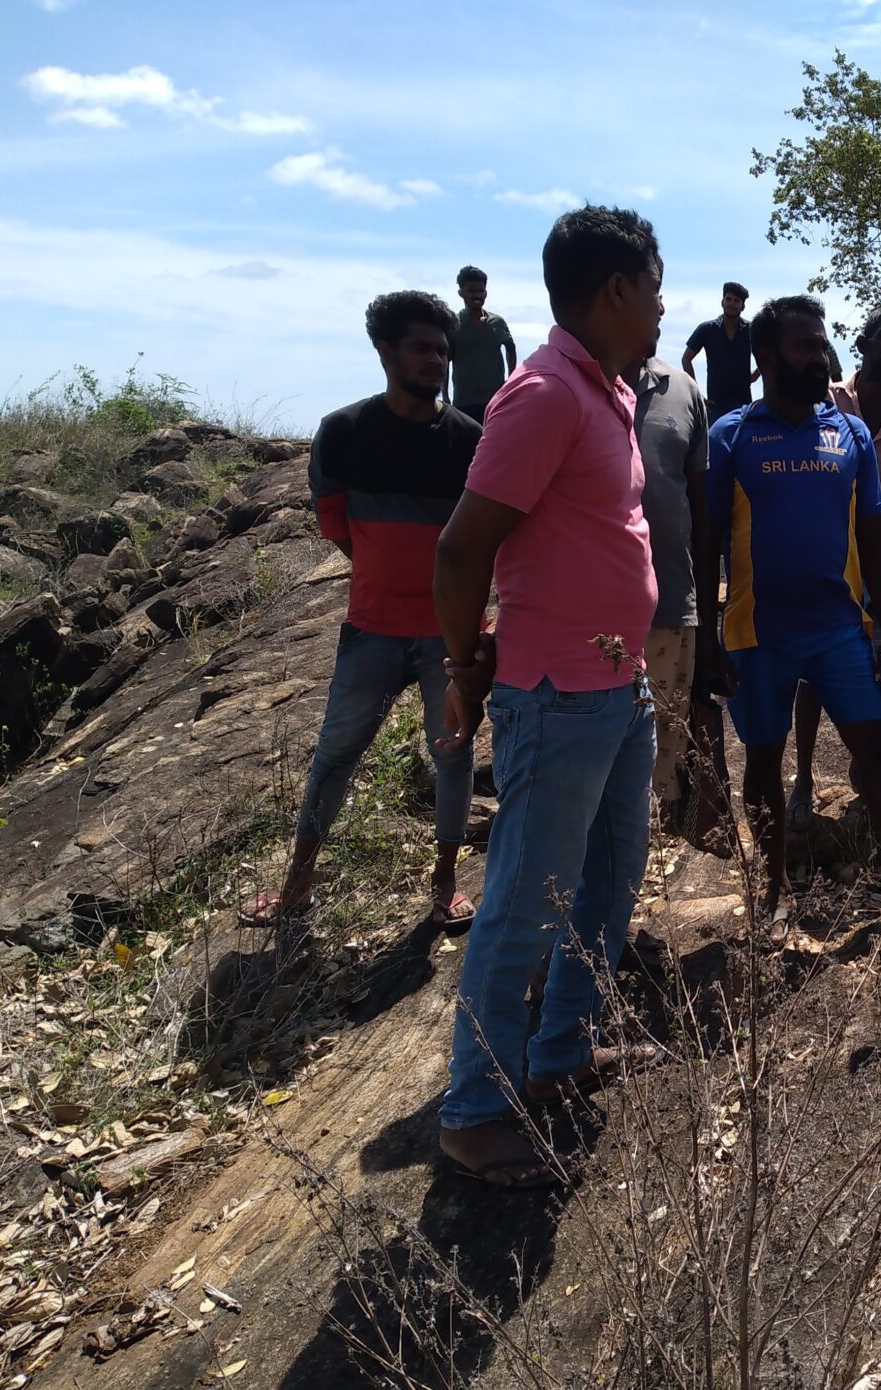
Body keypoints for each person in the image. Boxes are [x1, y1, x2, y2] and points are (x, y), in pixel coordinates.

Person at [432, 206, 664, 1187]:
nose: (662, 309)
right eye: (654, 289)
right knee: (526, 901)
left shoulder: (607, 390)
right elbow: (461, 550)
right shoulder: (542, 394)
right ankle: (475, 1109)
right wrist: (465, 669)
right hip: (555, 696)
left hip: (618, 685)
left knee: (609, 879)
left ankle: (562, 1048)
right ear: (616, 291)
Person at [701, 294, 881, 949]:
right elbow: (704, 543)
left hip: (839, 632)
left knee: (877, 756)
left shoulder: (848, 434)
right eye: (805, 346)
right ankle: (773, 896)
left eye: (823, 345)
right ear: (767, 357)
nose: (821, 357)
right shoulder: (731, 434)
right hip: (756, 633)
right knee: (762, 763)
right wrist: (706, 637)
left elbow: (875, 534)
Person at [241, 291, 480, 932]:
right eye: (421, 348)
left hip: (448, 634)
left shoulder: (468, 440)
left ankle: (445, 881)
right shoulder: (343, 432)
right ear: (385, 352)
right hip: (372, 628)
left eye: (442, 350)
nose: (436, 360)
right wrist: (387, 571)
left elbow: (482, 539)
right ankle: (296, 886)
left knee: (453, 754)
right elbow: (336, 526)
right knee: (335, 755)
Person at [787, 306, 881, 832]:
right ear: (864, 341)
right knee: (813, 671)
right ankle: (803, 778)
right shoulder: (827, 400)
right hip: (830, 554)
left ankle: (863, 765)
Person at [623, 345, 725, 848]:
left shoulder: (684, 392)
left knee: (659, 764)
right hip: (585, 621)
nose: (660, 309)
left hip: (670, 607)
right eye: (651, 302)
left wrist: (706, 625)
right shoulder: (562, 385)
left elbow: (701, 514)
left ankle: (635, 879)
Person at [448, 265, 517, 421]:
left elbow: (510, 348)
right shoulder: (454, 324)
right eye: (472, 291)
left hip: (495, 400)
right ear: (461, 292)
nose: (477, 295)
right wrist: (445, 395)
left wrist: (511, 380)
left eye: (481, 291)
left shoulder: (497, 322)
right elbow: (445, 360)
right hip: (464, 402)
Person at [681, 281, 754, 421]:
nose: (732, 304)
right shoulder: (706, 329)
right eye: (728, 299)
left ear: (743, 306)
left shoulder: (751, 330)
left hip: (743, 406)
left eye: (736, 301)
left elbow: (769, 353)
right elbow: (686, 359)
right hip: (715, 406)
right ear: (722, 302)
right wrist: (697, 395)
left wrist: (755, 375)